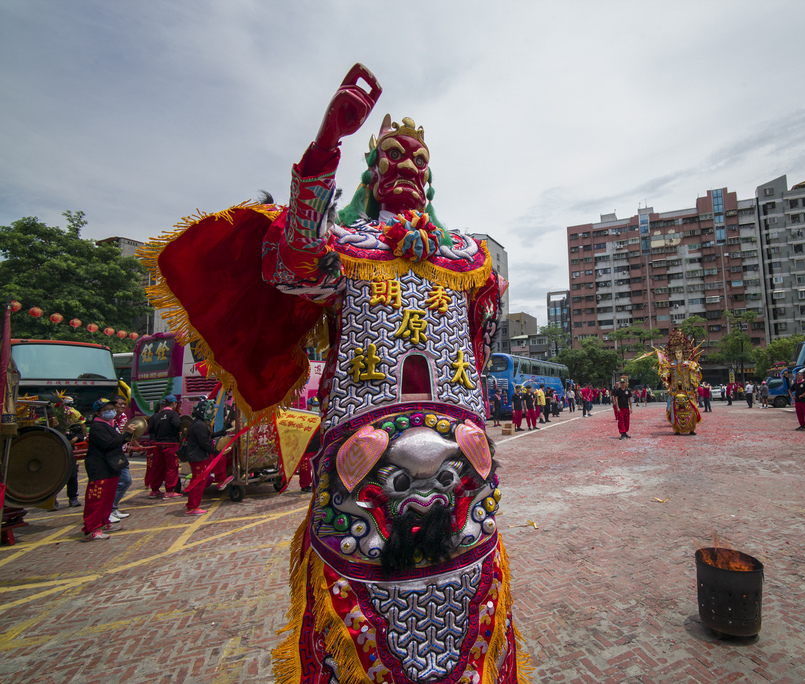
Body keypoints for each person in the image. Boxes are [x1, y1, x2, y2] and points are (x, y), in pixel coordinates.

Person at [147, 66, 524, 680]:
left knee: (467, 575)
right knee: (362, 576)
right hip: (364, 461)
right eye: (393, 156)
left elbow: (479, 358)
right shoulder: (344, 248)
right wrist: (327, 144)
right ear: (372, 172)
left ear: (430, 177)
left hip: (462, 461)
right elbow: (294, 263)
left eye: (419, 158)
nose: (407, 166)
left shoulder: (471, 262)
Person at [82, 398, 136, 540]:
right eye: (106, 410)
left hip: (111, 466)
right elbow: (109, 444)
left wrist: (126, 435)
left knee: (107, 498)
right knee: (97, 499)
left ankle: (105, 522)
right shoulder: (97, 427)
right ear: (98, 413)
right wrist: (125, 434)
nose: (111, 411)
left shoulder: (109, 424)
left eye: (111, 408)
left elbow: (117, 442)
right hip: (100, 468)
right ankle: (91, 529)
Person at [179, 398, 233, 515]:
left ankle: (221, 480)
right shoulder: (199, 425)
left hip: (200, 456)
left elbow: (205, 438)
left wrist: (219, 433)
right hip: (198, 458)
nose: (213, 413)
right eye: (211, 410)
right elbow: (204, 443)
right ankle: (192, 507)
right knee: (198, 482)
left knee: (220, 460)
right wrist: (216, 451)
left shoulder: (199, 423)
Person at [146, 395, 182, 499]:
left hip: (157, 446)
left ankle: (154, 490)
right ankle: (169, 491)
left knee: (157, 468)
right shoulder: (173, 414)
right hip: (170, 445)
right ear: (173, 404)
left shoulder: (156, 416)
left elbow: (151, 430)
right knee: (171, 468)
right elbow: (177, 425)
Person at [110, 395, 133, 522]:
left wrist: (135, 444)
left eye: (124, 404)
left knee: (126, 481)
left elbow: (128, 434)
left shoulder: (124, 417)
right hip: (113, 455)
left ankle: (113, 508)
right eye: (120, 404)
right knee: (120, 482)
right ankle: (109, 510)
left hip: (121, 453)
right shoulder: (109, 420)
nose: (123, 406)